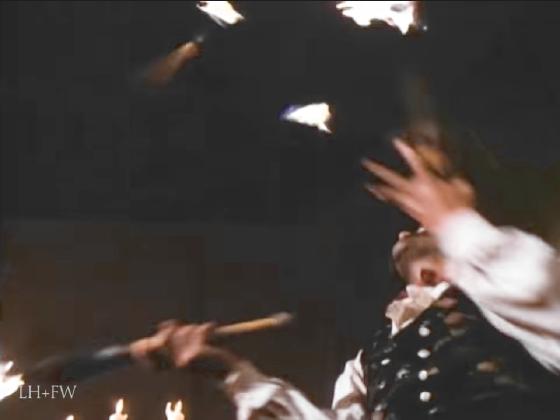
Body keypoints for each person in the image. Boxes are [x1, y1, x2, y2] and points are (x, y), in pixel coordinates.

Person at [130, 140, 560, 419]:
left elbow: (544, 296)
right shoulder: (372, 359)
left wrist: (460, 226)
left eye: (422, 225)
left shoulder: (513, 300)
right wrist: (229, 372)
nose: (404, 230)